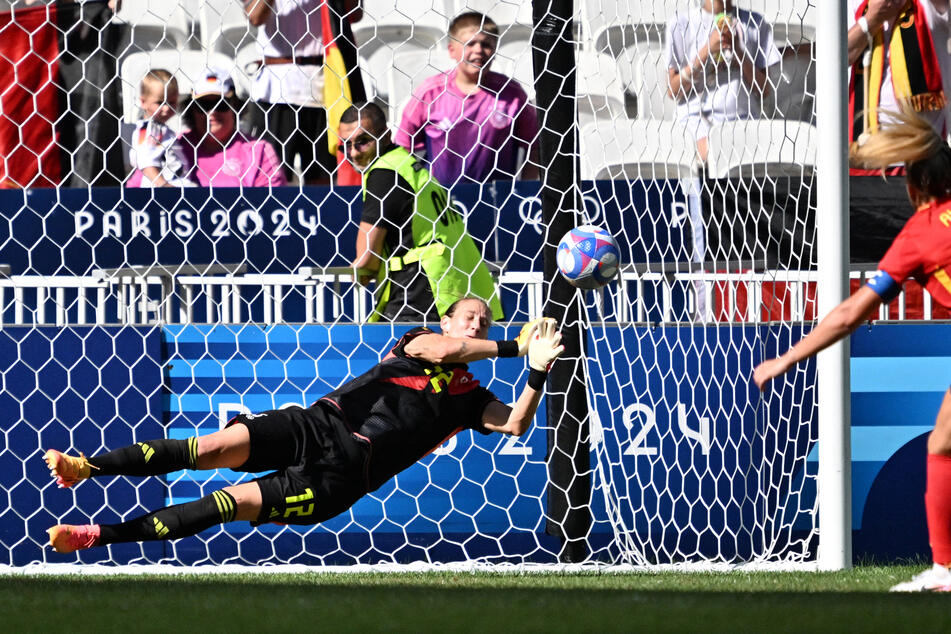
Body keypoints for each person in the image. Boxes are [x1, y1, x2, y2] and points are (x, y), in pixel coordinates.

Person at [43, 300, 563, 554]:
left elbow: (515, 423)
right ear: (446, 322)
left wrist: (537, 370)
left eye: (484, 322)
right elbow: (448, 351)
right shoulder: (419, 341)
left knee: (227, 503)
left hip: (341, 479)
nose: (475, 326)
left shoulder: (470, 398)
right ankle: (87, 467)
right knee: (209, 447)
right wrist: (518, 348)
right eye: (467, 318)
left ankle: (95, 536)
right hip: (316, 424)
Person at [753, 104, 951, 592]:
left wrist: (784, 359)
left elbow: (848, 314)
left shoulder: (921, 234)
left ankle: (945, 571)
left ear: (913, 186)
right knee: (944, 442)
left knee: (944, 446)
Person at [341, 102, 504, 323]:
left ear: (386, 135)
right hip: (455, 290)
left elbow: (367, 258)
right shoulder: (408, 166)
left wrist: (355, 273)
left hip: (423, 293)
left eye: (362, 142)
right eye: (345, 145)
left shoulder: (385, 174)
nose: (352, 153)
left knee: (396, 355)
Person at [394, 11, 538, 187]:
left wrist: (527, 187)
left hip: (497, 201)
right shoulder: (430, 93)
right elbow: (402, 149)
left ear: (495, 49)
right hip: (442, 200)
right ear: (452, 50)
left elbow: (536, 144)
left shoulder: (511, 94)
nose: (478, 50)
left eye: (486, 44)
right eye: (470, 43)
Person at [244, 0, 363, 185]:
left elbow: (354, 13)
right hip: (277, 92)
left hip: (325, 88)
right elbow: (255, 16)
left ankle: (323, 215)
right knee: (271, 177)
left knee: (323, 178)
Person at [665, 0, 781, 160]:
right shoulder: (681, 23)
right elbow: (673, 90)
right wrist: (707, 51)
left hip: (743, 123)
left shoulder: (756, 22)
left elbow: (764, 90)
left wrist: (738, 52)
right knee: (715, 152)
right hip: (695, 123)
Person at [847, 0, 951, 175]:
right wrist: (871, 20)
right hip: (866, 155)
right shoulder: (851, 4)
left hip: (922, 157)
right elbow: (837, 57)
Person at [179, 68, 286, 188]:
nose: (212, 112)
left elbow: (275, 200)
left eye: (221, 104)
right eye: (203, 105)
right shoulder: (176, 147)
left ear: (235, 105)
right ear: (191, 109)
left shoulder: (259, 151)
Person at [125, 69, 195, 188]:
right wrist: (163, 185)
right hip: (162, 189)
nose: (166, 108)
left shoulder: (160, 128)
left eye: (171, 102)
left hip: (177, 183)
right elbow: (145, 161)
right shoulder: (149, 129)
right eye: (160, 102)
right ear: (143, 102)